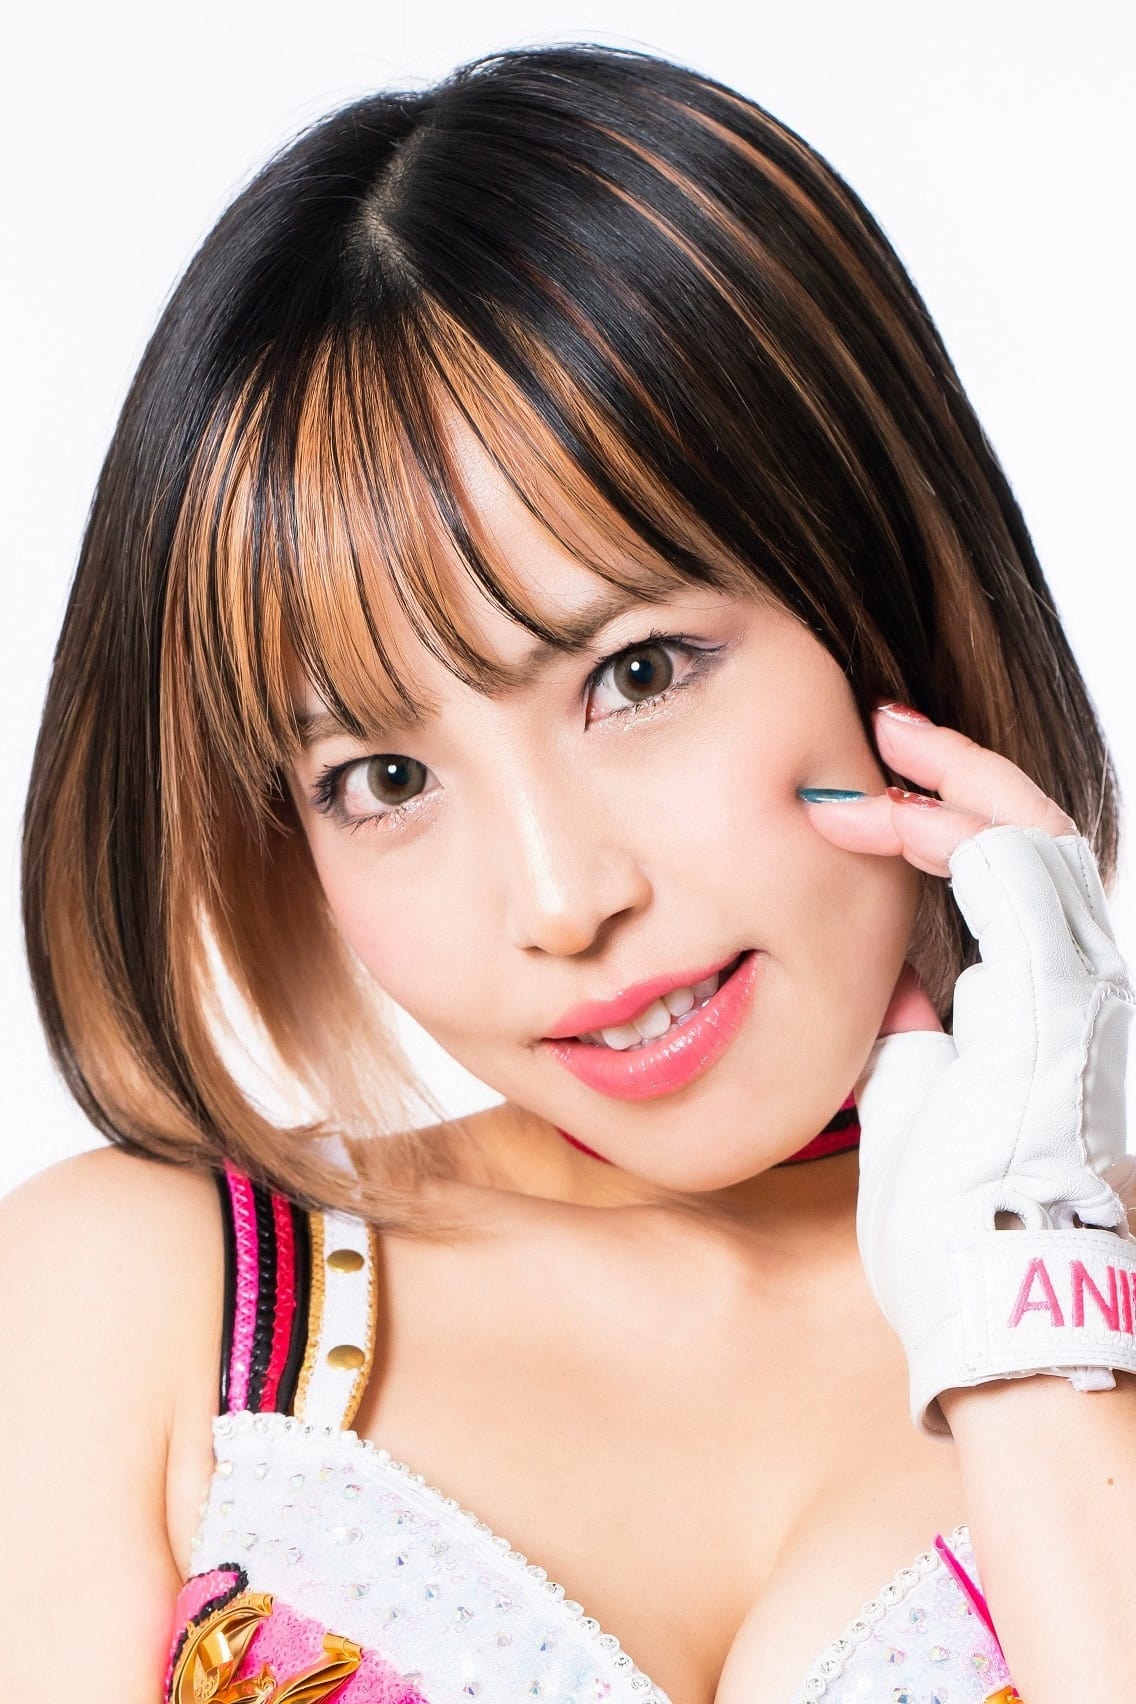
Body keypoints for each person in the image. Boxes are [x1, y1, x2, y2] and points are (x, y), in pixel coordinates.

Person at [4, 40, 1134, 1704]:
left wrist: (1036, 1300)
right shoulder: (138, 1304)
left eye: (639, 674)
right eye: (384, 779)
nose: (559, 901)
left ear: (885, 590)